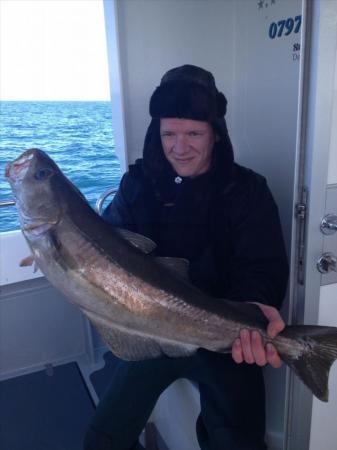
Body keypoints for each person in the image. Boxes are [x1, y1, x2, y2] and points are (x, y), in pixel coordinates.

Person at [84, 65, 289, 450]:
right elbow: (105, 250)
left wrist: (252, 307)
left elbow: (262, 266)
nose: (180, 147)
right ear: (156, 133)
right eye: (169, 134)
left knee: (237, 442)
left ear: (215, 133)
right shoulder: (136, 186)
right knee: (101, 439)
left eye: (193, 133)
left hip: (223, 338)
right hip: (151, 332)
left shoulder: (248, 191)